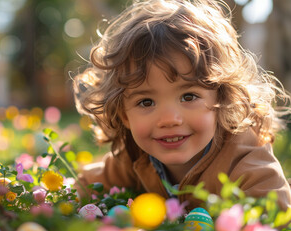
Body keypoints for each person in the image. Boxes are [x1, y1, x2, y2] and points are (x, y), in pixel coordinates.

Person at [73, 0, 291, 211]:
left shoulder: (245, 164)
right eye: (146, 102)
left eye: (188, 97)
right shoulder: (135, 156)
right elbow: (86, 186)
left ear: (222, 99)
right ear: (124, 115)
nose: (169, 119)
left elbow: (275, 213)